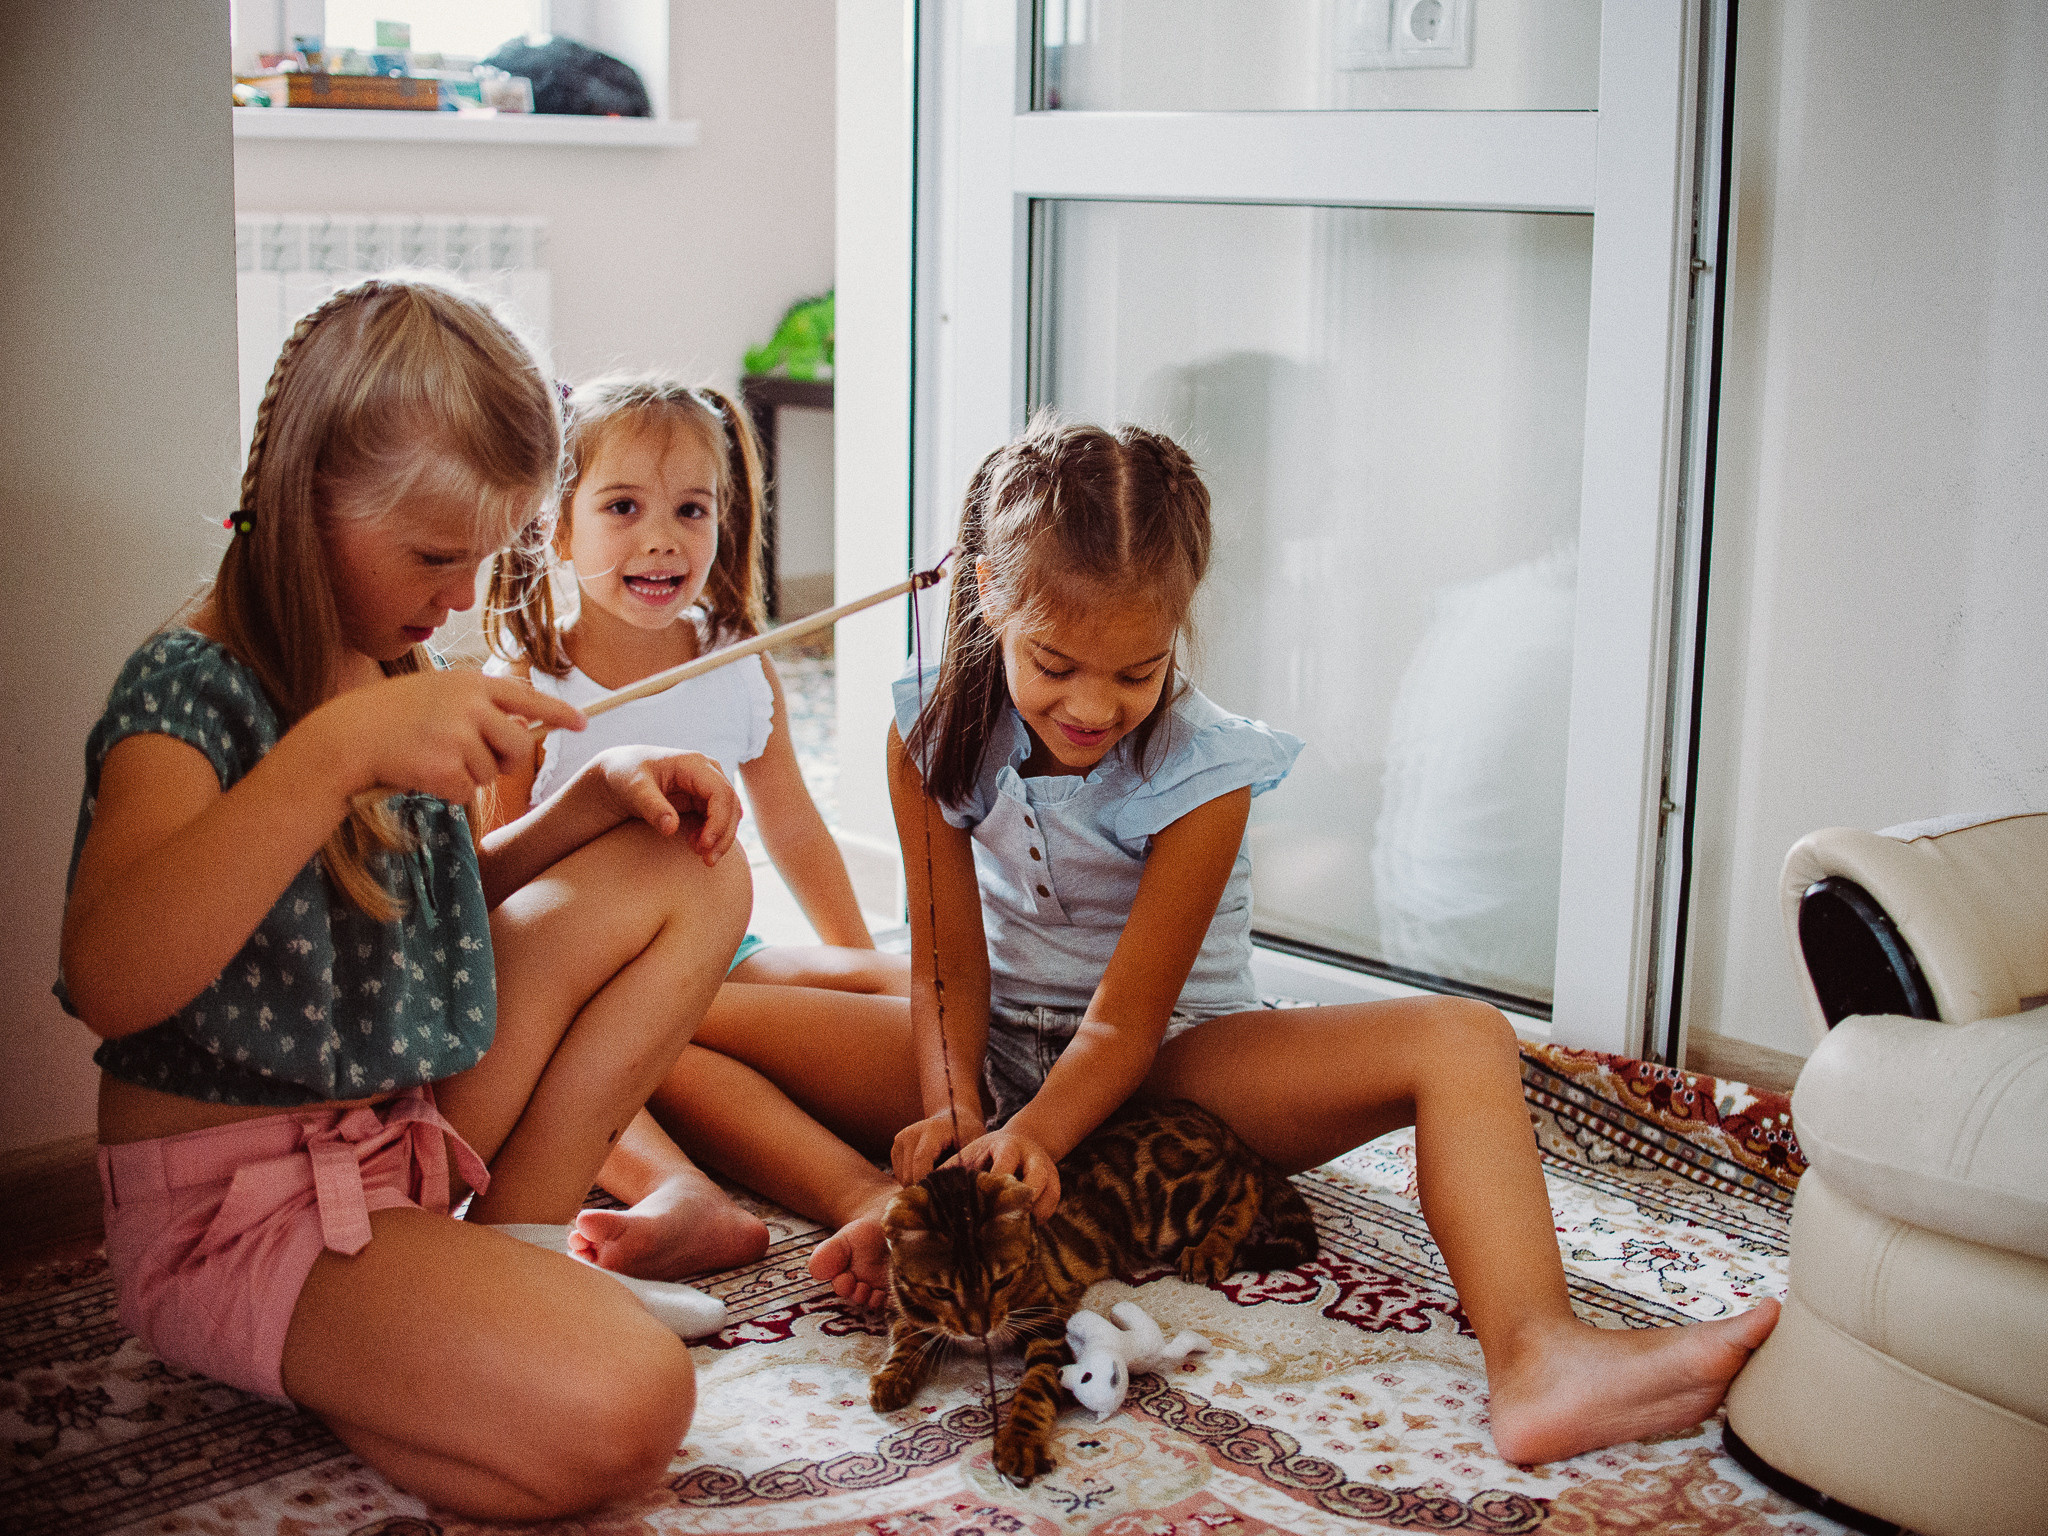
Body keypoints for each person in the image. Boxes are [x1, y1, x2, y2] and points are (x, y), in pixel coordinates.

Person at [807, 416, 1781, 1466]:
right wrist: (952, 1103)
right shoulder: (926, 730)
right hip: (998, 1044)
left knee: (1462, 1038)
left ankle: (1538, 1356)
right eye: (1054, 663)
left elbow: (1124, 1024)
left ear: (1179, 629)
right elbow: (943, 965)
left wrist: (1038, 1135)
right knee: (693, 1020)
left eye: (1135, 673)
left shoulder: (1205, 770)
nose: (1092, 704)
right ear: (988, 592)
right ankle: (861, 1204)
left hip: (1172, 1071)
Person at [57, 277, 754, 1521]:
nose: (455, 594)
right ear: (298, 500)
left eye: (484, 558)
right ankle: (387, 1343)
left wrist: (584, 808)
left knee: (682, 863)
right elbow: (112, 979)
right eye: (435, 556)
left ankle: (514, 1251)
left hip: (399, 1134)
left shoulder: (394, 659)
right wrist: (333, 755)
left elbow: (421, 923)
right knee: (630, 1407)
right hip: (241, 1214)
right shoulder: (188, 691)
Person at [481, 375, 909, 1279]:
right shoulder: (530, 686)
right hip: (584, 991)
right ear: (557, 528)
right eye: (623, 507)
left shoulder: (734, 665)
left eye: (691, 509)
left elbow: (794, 833)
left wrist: (850, 964)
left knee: (908, 982)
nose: (662, 537)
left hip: (727, 947)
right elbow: (499, 896)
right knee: (633, 1044)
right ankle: (720, 1191)